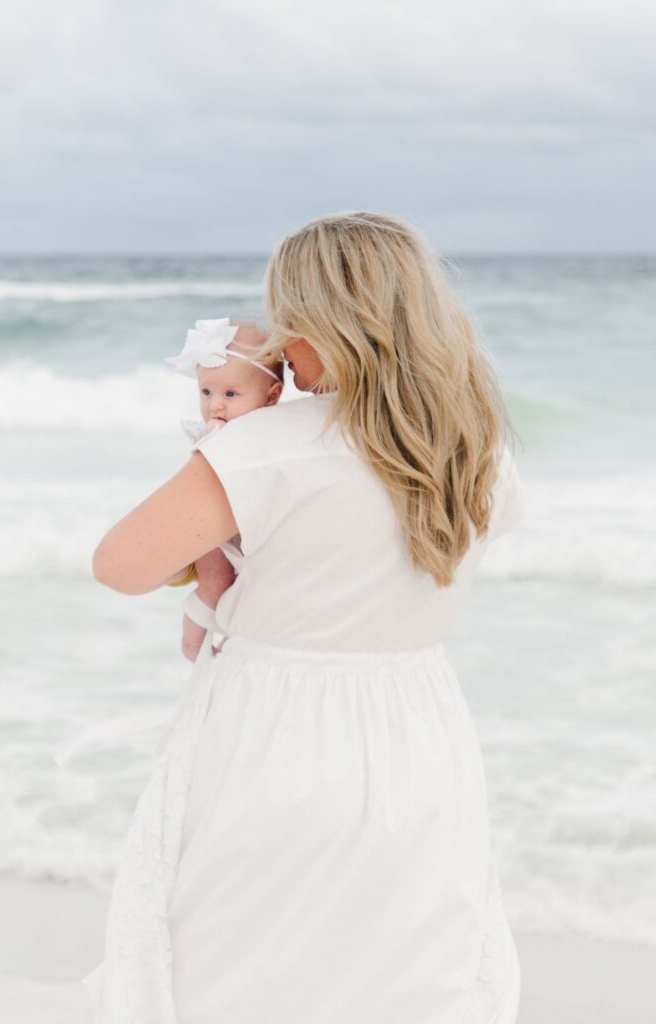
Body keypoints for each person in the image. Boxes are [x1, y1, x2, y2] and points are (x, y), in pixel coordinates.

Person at [86, 211, 527, 1024]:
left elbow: (120, 564)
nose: (278, 348)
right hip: (420, 729)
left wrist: (217, 489)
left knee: (240, 960)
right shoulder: (476, 448)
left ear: (331, 324)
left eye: (289, 321)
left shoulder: (265, 445)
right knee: (400, 963)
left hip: (274, 728)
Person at [163, 317, 283, 662]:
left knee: (247, 595)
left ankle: (229, 645)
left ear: (272, 396)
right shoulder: (219, 435)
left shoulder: (269, 434)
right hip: (216, 532)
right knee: (215, 583)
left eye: (230, 394)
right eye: (206, 392)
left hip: (250, 538)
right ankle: (193, 645)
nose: (215, 405)